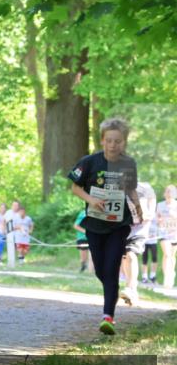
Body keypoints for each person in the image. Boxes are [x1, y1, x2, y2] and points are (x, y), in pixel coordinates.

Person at [68, 118, 140, 335]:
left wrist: (138, 207)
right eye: (109, 141)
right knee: (101, 270)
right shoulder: (89, 162)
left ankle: (108, 316)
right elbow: (75, 187)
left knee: (111, 267)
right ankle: (112, 290)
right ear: (102, 141)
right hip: (95, 224)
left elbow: (131, 190)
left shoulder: (129, 164)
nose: (113, 145)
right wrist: (91, 200)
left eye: (117, 141)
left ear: (124, 142)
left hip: (119, 225)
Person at [121, 182, 156, 306]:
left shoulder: (144, 187)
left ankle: (130, 288)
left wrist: (150, 213)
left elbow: (152, 197)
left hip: (140, 228)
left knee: (131, 254)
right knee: (124, 257)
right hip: (124, 228)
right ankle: (131, 287)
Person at [158, 185, 177, 289]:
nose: (169, 194)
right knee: (167, 254)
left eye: (171, 192)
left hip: (175, 233)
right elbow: (156, 218)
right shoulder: (160, 205)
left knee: (172, 256)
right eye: (167, 191)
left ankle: (171, 273)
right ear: (164, 193)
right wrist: (159, 221)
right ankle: (167, 277)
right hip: (163, 232)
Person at [142, 209, 159, 284]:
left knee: (154, 258)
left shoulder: (156, 215)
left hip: (153, 241)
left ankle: (153, 276)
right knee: (145, 259)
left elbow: (160, 225)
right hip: (145, 241)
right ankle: (144, 276)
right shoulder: (144, 214)